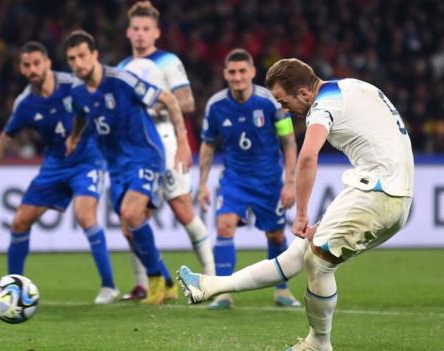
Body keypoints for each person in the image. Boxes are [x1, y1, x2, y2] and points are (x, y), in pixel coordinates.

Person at [178, 58, 413, 350]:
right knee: (299, 253)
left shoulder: (323, 106)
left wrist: (300, 214)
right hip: (390, 192)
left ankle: (318, 344)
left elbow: (307, 157)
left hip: (378, 192)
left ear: (304, 93)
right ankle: (210, 286)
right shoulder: (351, 86)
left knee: (318, 263)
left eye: (284, 102)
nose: (285, 110)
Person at [0, 41, 119, 305]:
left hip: (88, 160)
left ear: (48, 63)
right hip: (54, 166)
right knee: (20, 220)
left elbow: (98, 106)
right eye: (26, 65)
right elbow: (8, 134)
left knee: (85, 215)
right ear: (21, 68)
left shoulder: (72, 85)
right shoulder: (25, 103)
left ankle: (109, 286)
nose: (32, 69)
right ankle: (12, 286)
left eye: (36, 63)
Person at [63, 30, 192, 305]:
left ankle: (154, 280)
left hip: (146, 155)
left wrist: (182, 141)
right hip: (117, 165)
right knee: (128, 228)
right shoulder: (77, 92)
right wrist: (73, 138)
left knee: (131, 213)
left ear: (95, 55)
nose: (78, 63)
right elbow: (79, 117)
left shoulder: (121, 80)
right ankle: (168, 282)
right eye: (72, 58)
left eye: (82, 56)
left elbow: (168, 99)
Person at [116, 0, 215, 302]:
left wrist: (150, 104)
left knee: (183, 209)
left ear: (156, 32)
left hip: (165, 142)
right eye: (136, 29)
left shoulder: (168, 61)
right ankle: (145, 283)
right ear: (128, 32)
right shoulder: (121, 69)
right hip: (134, 149)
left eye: (146, 29)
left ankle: (211, 279)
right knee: (129, 220)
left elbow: (186, 102)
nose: (141, 34)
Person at [194, 48, 301, 309]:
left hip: (269, 181)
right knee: (224, 225)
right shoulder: (216, 105)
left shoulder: (270, 102)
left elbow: (288, 142)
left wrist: (290, 183)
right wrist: (202, 184)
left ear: (253, 73)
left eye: (243, 71)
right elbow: (208, 146)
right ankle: (222, 292)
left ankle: (282, 291)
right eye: (232, 72)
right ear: (225, 74)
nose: (237, 77)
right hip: (235, 180)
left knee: (275, 235)